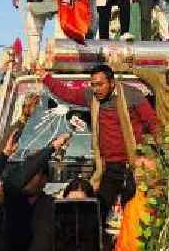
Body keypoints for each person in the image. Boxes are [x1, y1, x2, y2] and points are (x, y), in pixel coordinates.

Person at [41, 63, 160, 219]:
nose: (96, 89)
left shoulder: (132, 95)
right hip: (107, 168)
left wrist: (160, 154)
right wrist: (46, 78)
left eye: (100, 84)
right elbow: (68, 94)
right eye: (93, 85)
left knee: (133, 215)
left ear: (112, 83)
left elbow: (153, 123)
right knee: (98, 213)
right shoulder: (92, 96)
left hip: (133, 166)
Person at [3, 134, 70, 251]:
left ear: (44, 180)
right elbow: (16, 180)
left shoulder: (53, 208)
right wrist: (51, 147)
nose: (27, 178)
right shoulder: (11, 202)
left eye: (34, 174)